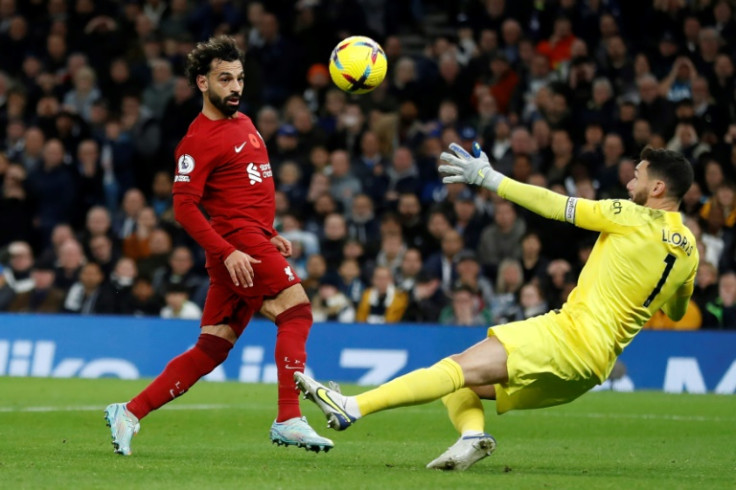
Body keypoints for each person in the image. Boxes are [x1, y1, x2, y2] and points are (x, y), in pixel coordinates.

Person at [295, 144, 697, 471]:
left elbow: (557, 206)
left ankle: (351, 407)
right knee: (460, 379)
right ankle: (471, 438)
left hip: (568, 336)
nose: (629, 183)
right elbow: (677, 311)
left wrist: (490, 179)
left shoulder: (632, 216)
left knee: (451, 369)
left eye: (637, 176)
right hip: (591, 370)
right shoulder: (690, 253)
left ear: (658, 188)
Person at [104, 35, 332, 456]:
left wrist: (269, 231)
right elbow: (185, 207)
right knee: (296, 311)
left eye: (240, 78)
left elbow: (245, 190)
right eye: (225, 79)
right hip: (236, 246)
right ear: (202, 83)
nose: (236, 87)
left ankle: (129, 411)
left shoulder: (244, 123)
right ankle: (288, 418)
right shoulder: (197, 140)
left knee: (213, 346)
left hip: (251, 240)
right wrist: (229, 250)